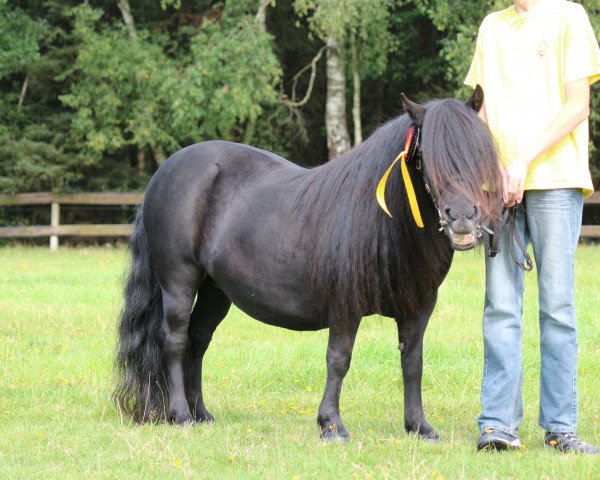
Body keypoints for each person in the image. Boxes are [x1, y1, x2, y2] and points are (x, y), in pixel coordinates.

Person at [465, 0, 600, 454]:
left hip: (556, 182)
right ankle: (497, 425)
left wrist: (522, 160)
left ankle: (561, 428)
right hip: (500, 186)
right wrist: (491, 169)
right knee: (500, 307)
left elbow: (577, 106)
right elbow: (482, 113)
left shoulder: (570, 16)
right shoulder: (491, 26)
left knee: (557, 308)